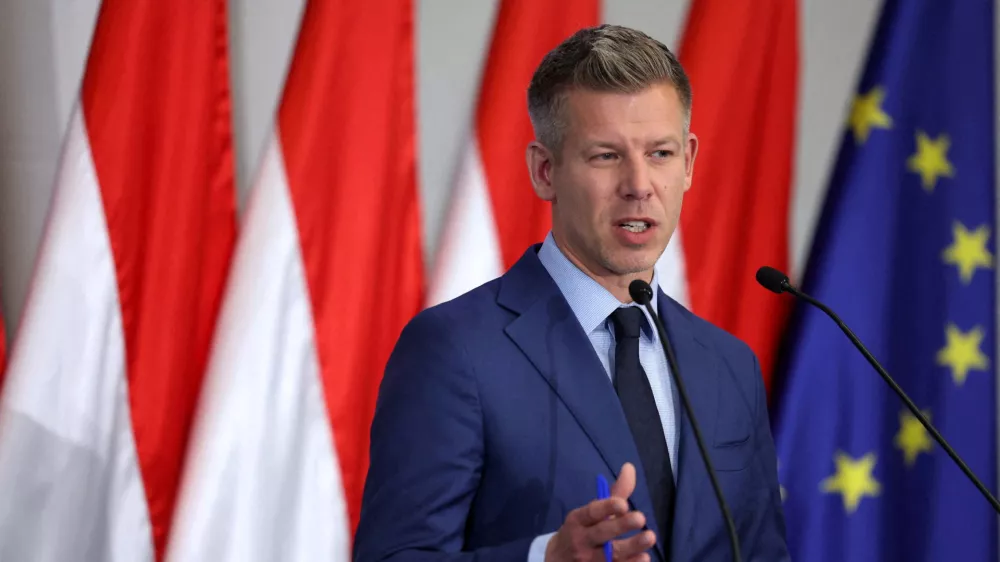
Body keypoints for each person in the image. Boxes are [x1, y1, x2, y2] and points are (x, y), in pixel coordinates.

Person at [353, 24, 789, 562]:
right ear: (544, 171)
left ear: (690, 162)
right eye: (606, 156)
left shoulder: (728, 365)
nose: (638, 183)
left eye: (660, 153)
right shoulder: (454, 350)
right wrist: (546, 557)